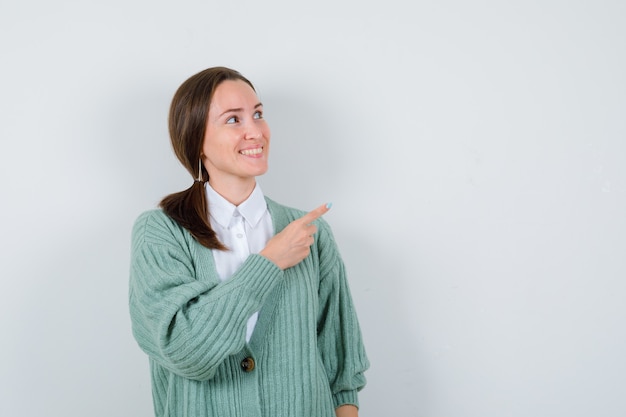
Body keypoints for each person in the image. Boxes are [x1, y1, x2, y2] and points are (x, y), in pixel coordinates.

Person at [129, 66, 369, 417]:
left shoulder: (309, 232)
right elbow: (184, 349)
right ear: (196, 138)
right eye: (233, 120)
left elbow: (341, 366)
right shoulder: (160, 232)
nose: (255, 131)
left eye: (258, 114)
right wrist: (268, 262)